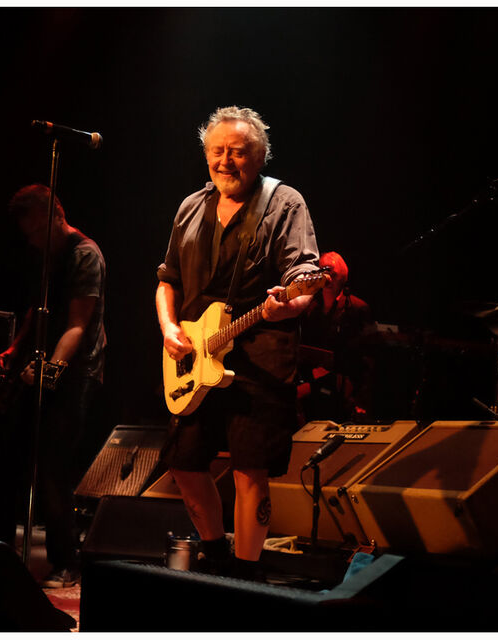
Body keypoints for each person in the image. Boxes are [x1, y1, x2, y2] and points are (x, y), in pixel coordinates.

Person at [156, 106, 320, 579]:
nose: (225, 161)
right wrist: (169, 327)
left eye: (238, 152)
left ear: (261, 156)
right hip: (195, 356)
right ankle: (216, 555)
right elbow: (167, 280)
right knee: (183, 464)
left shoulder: (284, 203)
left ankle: (247, 577)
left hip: (261, 356)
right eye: (217, 151)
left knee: (251, 470)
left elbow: (304, 277)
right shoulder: (190, 207)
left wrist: (289, 303)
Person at [0, 184, 107, 589]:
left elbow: (78, 324)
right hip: (39, 365)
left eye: (37, 231)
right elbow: (36, 309)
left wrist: (51, 370)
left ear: (57, 216)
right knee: (8, 456)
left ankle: (67, 562)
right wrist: (17, 347)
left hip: (75, 372)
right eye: (28, 235)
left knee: (53, 467)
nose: (33, 241)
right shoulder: (46, 256)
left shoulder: (84, 255)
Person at [298, 251, 374, 423]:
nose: (328, 279)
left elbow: (366, 358)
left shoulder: (358, 308)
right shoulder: (310, 307)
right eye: (323, 272)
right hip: (313, 382)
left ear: (343, 277)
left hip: (342, 387)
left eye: (333, 274)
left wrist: (362, 400)